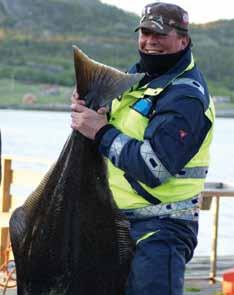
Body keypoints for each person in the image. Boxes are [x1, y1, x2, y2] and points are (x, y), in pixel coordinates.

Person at [71, 2, 215, 295]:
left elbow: (155, 167)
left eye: (160, 34)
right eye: (145, 32)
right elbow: (108, 130)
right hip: (115, 223)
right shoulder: (135, 81)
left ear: (183, 40)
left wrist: (100, 131)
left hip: (161, 231)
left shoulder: (185, 97)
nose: (150, 41)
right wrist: (91, 108)